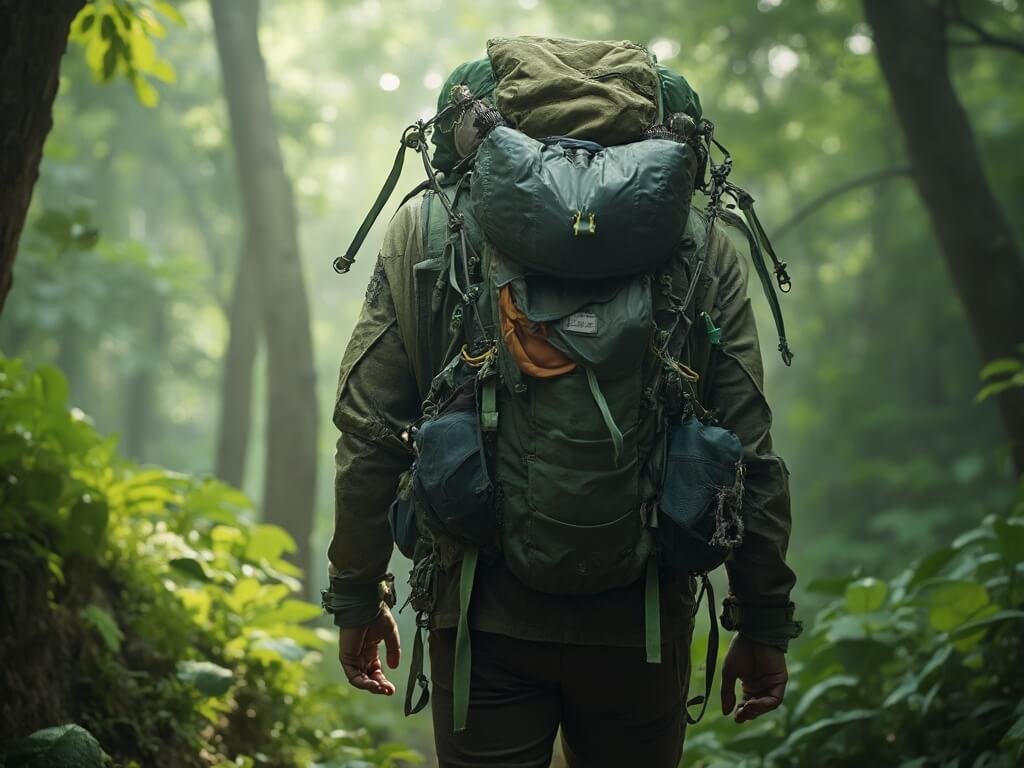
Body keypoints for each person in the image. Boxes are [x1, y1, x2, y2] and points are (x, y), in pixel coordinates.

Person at [325, 39, 801, 768]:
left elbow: (369, 431)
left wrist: (359, 594)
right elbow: (746, 442)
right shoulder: (698, 241)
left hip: (479, 618)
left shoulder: (426, 228)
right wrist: (762, 616)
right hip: (641, 625)